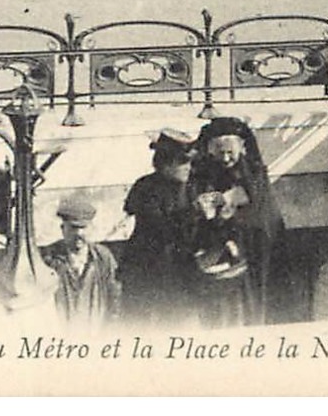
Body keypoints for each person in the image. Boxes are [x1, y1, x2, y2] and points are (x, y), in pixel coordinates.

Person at [187, 117, 285, 327]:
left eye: (230, 152)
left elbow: (255, 200)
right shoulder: (203, 172)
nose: (225, 158)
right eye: (220, 152)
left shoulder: (253, 171)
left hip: (252, 244)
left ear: (241, 147)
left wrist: (225, 204)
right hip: (218, 248)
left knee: (252, 297)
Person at [120, 129, 197, 324]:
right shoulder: (147, 188)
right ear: (166, 164)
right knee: (140, 323)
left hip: (180, 271)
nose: (188, 167)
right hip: (146, 267)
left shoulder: (190, 187)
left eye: (189, 162)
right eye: (182, 162)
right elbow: (159, 227)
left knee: (177, 323)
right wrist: (194, 213)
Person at [40, 196, 120, 328]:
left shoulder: (103, 258)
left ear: (91, 228)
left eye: (84, 228)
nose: (79, 233)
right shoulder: (48, 258)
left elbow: (115, 298)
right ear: (62, 229)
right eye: (73, 228)